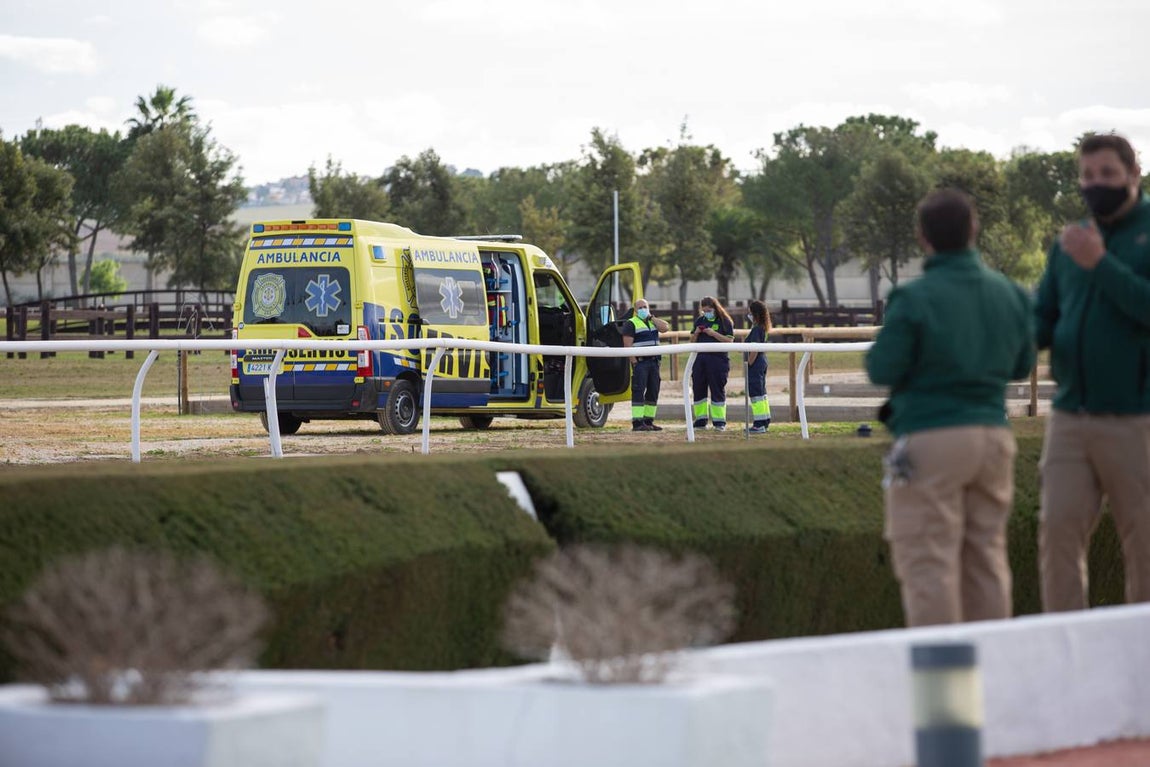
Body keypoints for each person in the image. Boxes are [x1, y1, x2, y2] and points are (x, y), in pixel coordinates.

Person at [865, 188, 1035, 627]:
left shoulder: (914, 298)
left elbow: (882, 365)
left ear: (923, 237)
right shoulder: (1010, 293)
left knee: (929, 564)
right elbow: (1022, 364)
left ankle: (945, 693)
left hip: (932, 435)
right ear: (974, 229)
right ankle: (992, 677)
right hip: (994, 436)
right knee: (986, 559)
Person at [1034, 132, 1150, 612]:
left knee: (1143, 547)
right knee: (1057, 533)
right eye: (1087, 175)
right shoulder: (1069, 244)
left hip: (1136, 418)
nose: (1095, 183)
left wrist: (1100, 264)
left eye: (1106, 173)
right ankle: (1067, 658)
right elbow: (1043, 317)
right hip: (1070, 417)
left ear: (1133, 176)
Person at [622, 298, 671, 432]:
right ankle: (637, 423)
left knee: (653, 391)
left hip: (654, 363)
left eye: (645, 307)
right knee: (638, 392)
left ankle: (648, 421)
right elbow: (627, 345)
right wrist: (635, 363)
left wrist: (652, 318)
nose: (643, 309)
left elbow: (665, 328)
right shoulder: (631, 323)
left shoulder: (653, 322)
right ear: (635, 310)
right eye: (640, 308)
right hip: (641, 363)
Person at [690, 296, 735, 431]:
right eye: (704, 311)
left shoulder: (725, 321)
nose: (706, 313)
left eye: (709, 310)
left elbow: (729, 340)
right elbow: (692, 341)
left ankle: (719, 422)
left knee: (717, 390)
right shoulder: (700, 320)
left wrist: (713, 333)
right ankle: (700, 420)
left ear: (715, 308)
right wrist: (697, 333)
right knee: (698, 389)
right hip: (700, 360)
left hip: (718, 360)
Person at [744, 300, 772, 434]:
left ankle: (759, 424)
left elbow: (754, 349)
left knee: (756, 394)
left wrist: (748, 363)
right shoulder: (763, 327)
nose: (748, 315)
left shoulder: (756, 329)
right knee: (762, 392)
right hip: (762, 362)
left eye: (750, 313)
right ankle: (765, 420)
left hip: (756, 364)